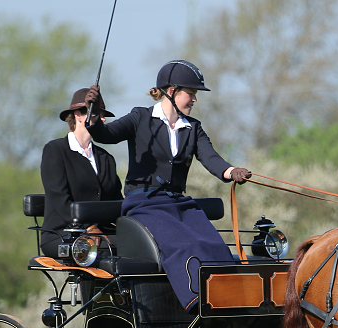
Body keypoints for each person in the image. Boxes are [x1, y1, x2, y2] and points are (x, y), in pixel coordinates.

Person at [85, 59, 251, 311]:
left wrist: (231, 172)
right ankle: (198, 302)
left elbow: (211, 158)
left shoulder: (193, 128)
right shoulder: (140, 117)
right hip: (144, 202)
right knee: (186, 245)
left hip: (178, 202)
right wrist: (94, 114)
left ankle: (231, 301)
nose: (194, 99)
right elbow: (106, 135)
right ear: (171, 91)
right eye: (191, 93)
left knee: (213, 244)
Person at [39, 88, 123, 258]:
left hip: (103, 234)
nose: (104, 119)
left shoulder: (106, 158)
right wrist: (88, 227)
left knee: (143, 245)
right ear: (78, 115)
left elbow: (117, 203)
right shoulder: (56, 151)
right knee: (107, 250)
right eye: (98, 113)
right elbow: (60, 199)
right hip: (63, 234)